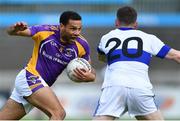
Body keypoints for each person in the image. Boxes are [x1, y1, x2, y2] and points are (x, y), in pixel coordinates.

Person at [0, 11, 96, 120]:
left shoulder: (82, 45)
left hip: (39, 85)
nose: (77, 33)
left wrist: (91, 77)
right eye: (73, 29)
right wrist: (13, 29)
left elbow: (90, 69)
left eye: (79, 29)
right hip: (30, 77)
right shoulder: (45, 31)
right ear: (62, 26)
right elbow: (12, 32)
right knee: (58, 113)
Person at [93, 6, 180, 120]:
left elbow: (102, 58)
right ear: (136, 24)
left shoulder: (106, 38)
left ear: (116, 22)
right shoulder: (149, 38)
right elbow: (177, 56)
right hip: (139, 87)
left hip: (114, 87)